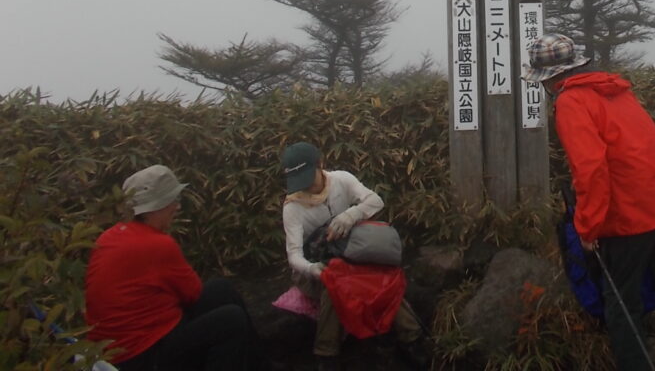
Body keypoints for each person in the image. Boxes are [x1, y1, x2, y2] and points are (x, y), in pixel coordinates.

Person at [523, 33, 655, 371]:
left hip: (633, 215)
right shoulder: (614, 90)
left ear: (548, 79)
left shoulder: (571, 102)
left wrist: (588, 225)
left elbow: (591, 170)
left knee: (620, 298)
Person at [85, 164, 259, 371]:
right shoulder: (158, 244)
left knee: (221, 289)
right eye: (172, 200)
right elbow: (192, 293)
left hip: (117, 349)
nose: (177, 206)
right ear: (155, 208)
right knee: (231, 321)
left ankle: (261, 365)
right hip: (141, 356)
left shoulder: (110, 236)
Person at [280, 142, 423, 371]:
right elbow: (294, 255)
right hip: (315, 266)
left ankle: (412, 338)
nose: (305, 187)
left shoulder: (341, 180)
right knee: (336, 284)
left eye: (308, 176)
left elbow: (375, 200)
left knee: (380, 278)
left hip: (348, 253)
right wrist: (312, 268)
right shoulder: (292, 208)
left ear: (320, 164)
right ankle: (326, 356)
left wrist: (351, 214)